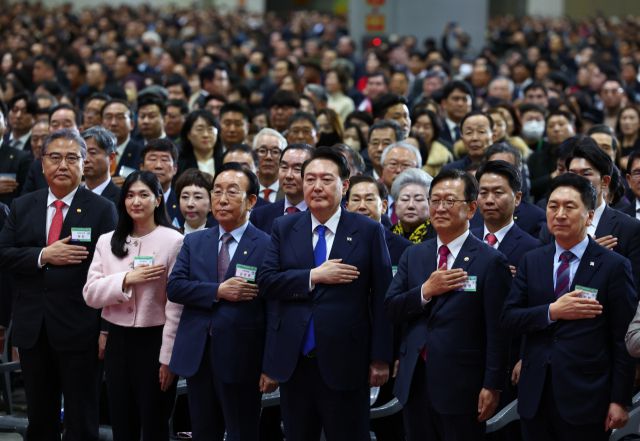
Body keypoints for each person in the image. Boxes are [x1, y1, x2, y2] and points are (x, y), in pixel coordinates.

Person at [258, 146, 393, 440]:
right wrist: (312, 276)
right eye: (310, 179)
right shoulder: (284, 227)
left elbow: (382, 297)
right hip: (295, 360)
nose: (317, 186)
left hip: (348, 360)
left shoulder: (368, 231)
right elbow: (266, 282)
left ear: (344, 185)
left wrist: (380, 357)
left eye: (326, 179)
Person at [0, 128, 117, 440]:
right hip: (33, 327)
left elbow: (112, 271)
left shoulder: (102, 209)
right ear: (42, 164)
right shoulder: (23, 205)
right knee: (40, 419)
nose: (63, 165)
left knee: (81, 419)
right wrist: (43, 255)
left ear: (83, 163)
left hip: (81, 329)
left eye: (72, 158)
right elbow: (3, 254)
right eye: (55, 157)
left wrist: (105, 329)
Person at [501, 173, 637, 441]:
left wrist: (620, 399)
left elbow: (622, 338)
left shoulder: (614, 266)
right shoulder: (532, 260)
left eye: (569, 207)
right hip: (535, 394)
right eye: (553, 206)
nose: (560, 214)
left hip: (587, 396)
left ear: (589, 216)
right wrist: (552, 311)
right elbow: (509, 318)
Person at [386, 168, 511, 440]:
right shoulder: (414, 254)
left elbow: (498, 331)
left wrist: (493, 384)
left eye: (450, 201)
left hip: (463, 384)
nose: (440, 208)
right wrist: (425, 291)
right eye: (435, 200)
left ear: (472, 208)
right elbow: (392, 308)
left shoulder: (490, 261)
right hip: (415, 379)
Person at [168, 163, 275, 441]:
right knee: (204, 432)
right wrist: (218, 291)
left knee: (242, 432)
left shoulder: (267, 245)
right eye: (216, 191)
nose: (222, 199)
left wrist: (271, 364)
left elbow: (274, 309)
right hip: (198, 355)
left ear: (251, 201)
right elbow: (175, 288)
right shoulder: (195, 241)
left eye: (232, 192)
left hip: (243, 358)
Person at [83, 171, 183, 441]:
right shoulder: (107, 240)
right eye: (129, 195)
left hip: (156, 340)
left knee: (154, 422)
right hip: (118, 340)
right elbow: (90, 294)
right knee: (121, 420)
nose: (136, 201)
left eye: (143, 195)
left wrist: (168, 357)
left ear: (158, 200)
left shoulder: (173, 240)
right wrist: (126, 279)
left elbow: (176, 306)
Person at [250, 143, 313, 234]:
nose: (288, 175)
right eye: (284, 167)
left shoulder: (320, 214)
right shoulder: (260, 215)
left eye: (297, 169)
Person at [140, 138, 183, 227]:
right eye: (152, 159)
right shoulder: (130, 201)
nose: (158, 166)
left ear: (175, 169)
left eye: (164, 160)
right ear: (142, 167)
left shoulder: (182, 203)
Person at [389, 168, 436, 244]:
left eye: (418, 199)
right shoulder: (386, 236)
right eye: (405, 199)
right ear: (396, 204)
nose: (411, 205)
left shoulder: (439, 236)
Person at [81, 125, 121, 205]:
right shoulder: (73, 196)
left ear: (111, 157)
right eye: (82, 153)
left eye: (92, 153)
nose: (85, 160)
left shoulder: (122, 198)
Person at [175, 168, 214, 234]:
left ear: (211, 204)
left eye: (197, 197)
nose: (190, 204)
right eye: (185, 197)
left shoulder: (221, 236)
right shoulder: (171, 235)